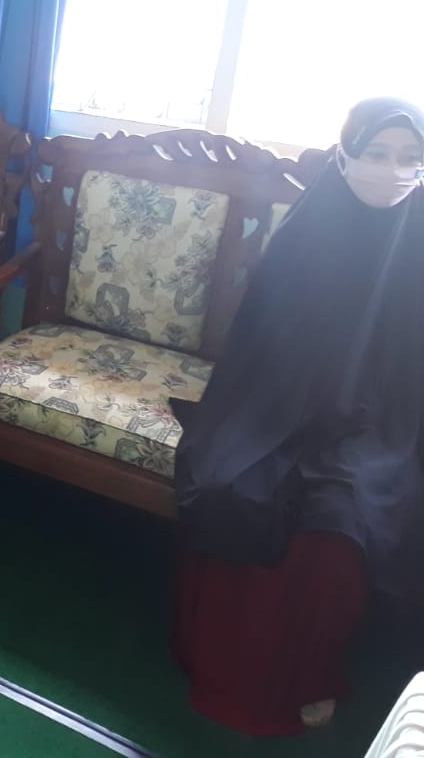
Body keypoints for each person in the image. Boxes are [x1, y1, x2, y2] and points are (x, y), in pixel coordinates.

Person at [170, 97, 424, 735]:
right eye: (377, 153)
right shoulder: (310, 230)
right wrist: (291, 406)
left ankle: (308, 676)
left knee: (342, 519)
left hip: (381, 424)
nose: (393, 170)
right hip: (276, 404)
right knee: (235, 486)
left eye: (409, 157)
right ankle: (219, 663)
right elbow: (261, 340)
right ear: (346, 156)